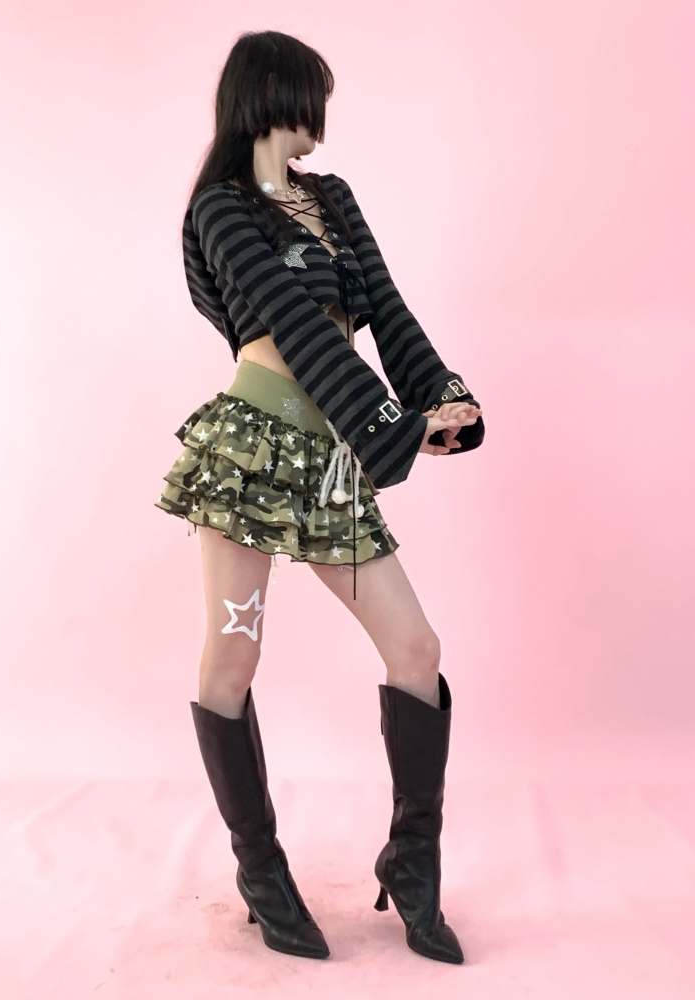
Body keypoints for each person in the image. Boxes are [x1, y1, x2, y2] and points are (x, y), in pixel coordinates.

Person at [154, 29, 485, 963]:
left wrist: (441, 396)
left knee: (416, 648)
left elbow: (388, 311)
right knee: (233, 656)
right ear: (273, 95)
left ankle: (411, 862)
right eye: (311, 98)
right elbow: (296, 326)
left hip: (334, 459)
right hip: (250, 454)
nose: (321, 122)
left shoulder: (333, 200)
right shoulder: (220, 210)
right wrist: (392, 426)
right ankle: (259, 868)